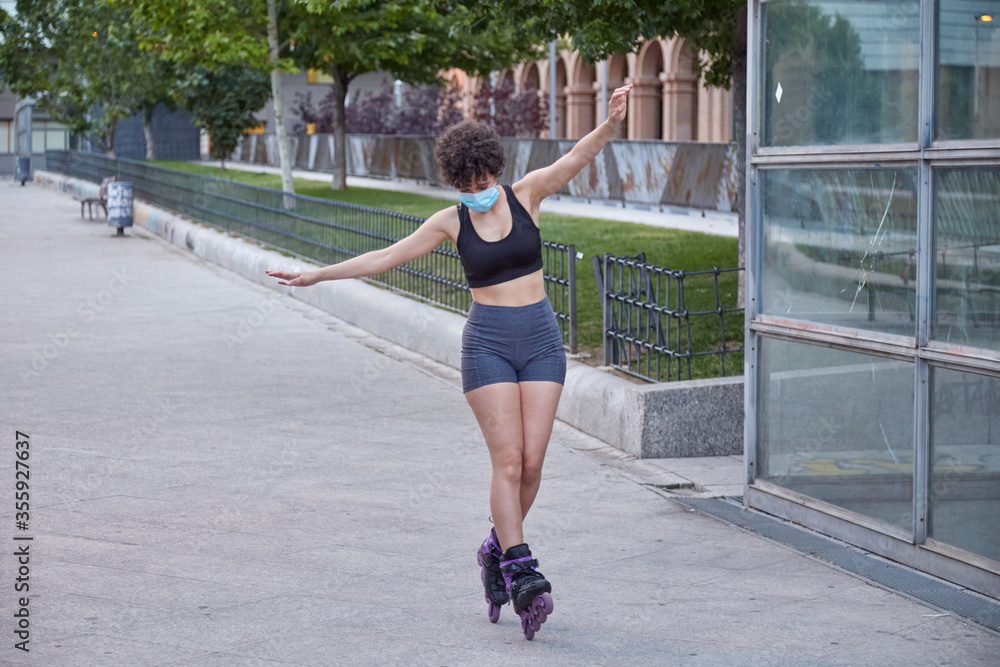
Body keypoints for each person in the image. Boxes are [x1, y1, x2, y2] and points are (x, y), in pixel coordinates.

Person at [266, 83, 632, 640]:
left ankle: (494, 547)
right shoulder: (450, 221)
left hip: (539, 339)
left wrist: (609, 123)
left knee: (533, 465)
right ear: (454, 181)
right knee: (508, 461)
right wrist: (315, 274)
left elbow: (576, 157)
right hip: (486, 344)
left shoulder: (527, 195)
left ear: (493, 169)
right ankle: (521, 569)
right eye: (465, 186)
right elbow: (386, 257)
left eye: (482, 182)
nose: (477, 192)